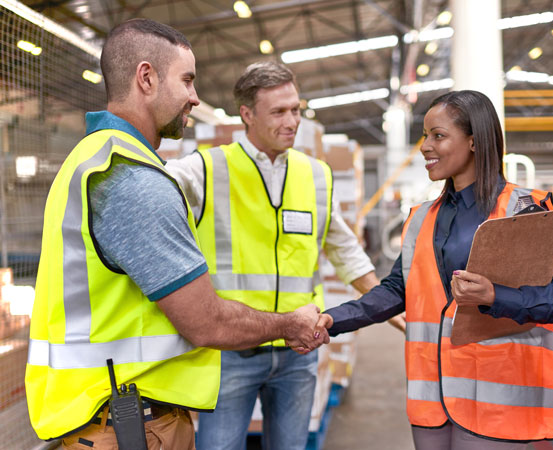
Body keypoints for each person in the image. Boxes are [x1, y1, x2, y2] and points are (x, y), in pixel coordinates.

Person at [25, 19, 327, 450]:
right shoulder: (131, 180)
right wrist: (290, 324)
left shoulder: (92, 157)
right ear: (146, 77)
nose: (195, 96)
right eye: (187, 80)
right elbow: (206, 322)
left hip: (107, 414)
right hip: (130, 423)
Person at [315, 90, 553, 450]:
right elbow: (396, 289)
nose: (426, 146)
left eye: (438, 136)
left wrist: (494, 296)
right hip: (432, 398)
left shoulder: (523, 209)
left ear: (474, 142)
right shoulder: (422, 217)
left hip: (495, 404)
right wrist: (334, 320)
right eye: (425, 135)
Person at [166, 60, 401, 450]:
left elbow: (345, 251)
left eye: (296, 110)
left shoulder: (316, 175)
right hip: (230, 352)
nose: (292, 121)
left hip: (299, 351)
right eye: (278, 112)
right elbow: (149, 188)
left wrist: (395, 311)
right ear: (247, 114)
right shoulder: (208, 169)